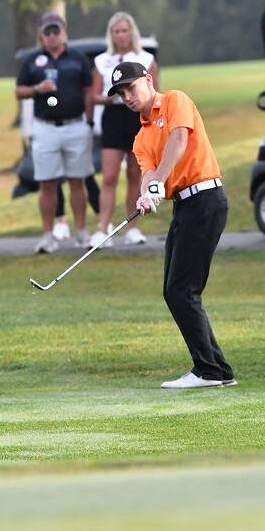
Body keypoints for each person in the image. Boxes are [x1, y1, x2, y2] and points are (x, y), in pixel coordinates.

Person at [107, 61, 236, 389]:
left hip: (206, 198)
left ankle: (207, 371)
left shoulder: (175, 100)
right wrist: (146, 195)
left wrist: (157, 184)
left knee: (182, 290)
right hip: (184, 206)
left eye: (131, 88)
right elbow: (148, 174)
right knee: (174, 290)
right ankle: (218, 369)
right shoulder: (140, 137)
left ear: (148, 80)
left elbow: (179, 140)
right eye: (121, 93)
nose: (127, 97)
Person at [15, 12, 94, 253]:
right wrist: (37, 89)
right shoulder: (33, 60)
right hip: (45, 127)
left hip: (75, 125)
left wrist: (89, 122)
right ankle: (48, 236)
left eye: (55, 31)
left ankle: (81, 232)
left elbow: (89, 91)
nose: (52, 36)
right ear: (41, 34)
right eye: (47, 32)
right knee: (47, 183)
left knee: (77, 180)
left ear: (64, 31)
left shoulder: (77, 59)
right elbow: (19, 91)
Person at [89, 12, 160, 249]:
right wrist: (110, 98)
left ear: (132, 33)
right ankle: (103, 229)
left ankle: (132, 228)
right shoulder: (102, 60)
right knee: (109, 176)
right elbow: (94, 95)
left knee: (133, 174)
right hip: (113, 117)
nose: (121, 35)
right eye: (117, 31)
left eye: (125, 30)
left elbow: (155, 93)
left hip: (137, 117)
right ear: (111, 34)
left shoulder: (145, 58)